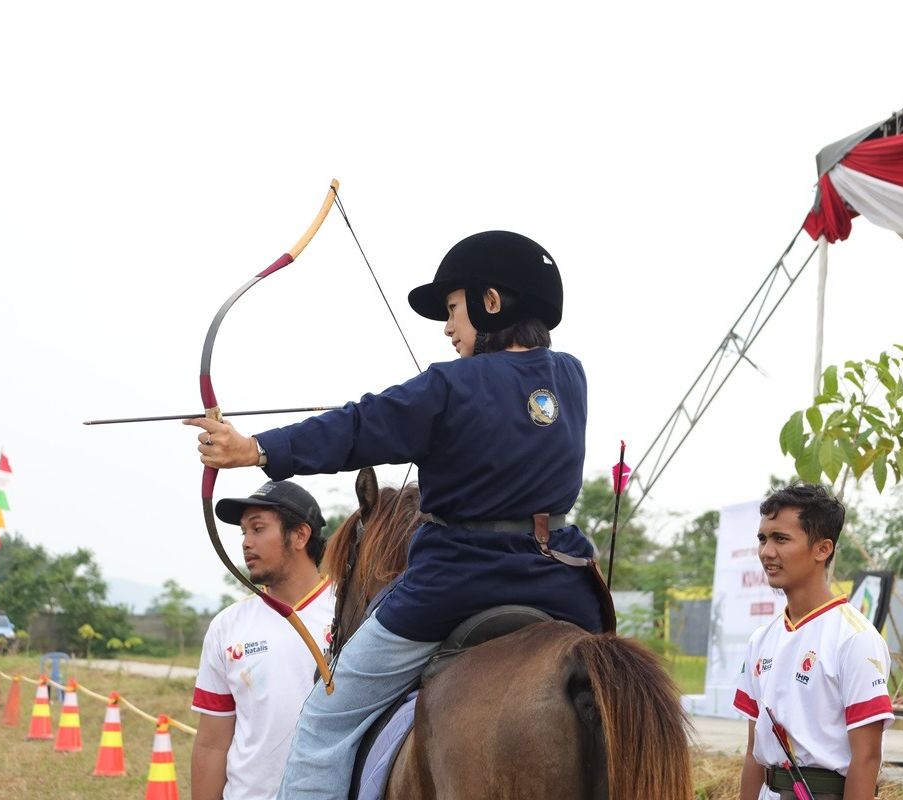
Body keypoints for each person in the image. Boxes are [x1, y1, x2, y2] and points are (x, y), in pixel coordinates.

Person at [186, 231, 607, 800]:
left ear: (491, 302)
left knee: (322, 723)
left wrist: (254, 449)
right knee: (620, 695)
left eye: (453, 308)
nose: (447, 327)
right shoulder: (572, 376)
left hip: (454, 587)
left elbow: (358, 427)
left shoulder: (447, 383)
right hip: (565, 584)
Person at [735, 484, 893, 800]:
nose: (766, 552)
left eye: (781, 539)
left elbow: (866, 758)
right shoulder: (760, 640)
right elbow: (755, 750)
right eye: (763, 538)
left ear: (822, 549)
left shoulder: (855, 639)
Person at [190, 480, 336, 800]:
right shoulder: (227, 627)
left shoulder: (353, 614)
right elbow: (212, 743)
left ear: (300, 535)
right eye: (244, 532)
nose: (246, 543)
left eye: (258, 529)